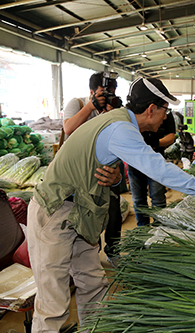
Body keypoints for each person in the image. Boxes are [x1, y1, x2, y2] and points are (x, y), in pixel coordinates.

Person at [27, 77, 195, 333]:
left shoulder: (119, 121)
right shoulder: (121, 128)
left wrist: (115, 176)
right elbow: (159, 169)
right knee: (54, 303)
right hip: (55, 213)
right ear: (151, 109)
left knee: (93, 285)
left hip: (80, 215)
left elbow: (98, 160)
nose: (164, 118)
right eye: (164, 110)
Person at [62, 71, 123, 264]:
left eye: (111, 92)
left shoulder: (111, 109)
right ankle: (89, 256)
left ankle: (113, 252)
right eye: (104, 93)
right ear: (91, 91)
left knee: (114, 213)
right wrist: (91, 106)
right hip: (80, 172)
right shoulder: (78, 104)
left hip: (105, 170)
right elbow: (68, 129)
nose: (107, 96)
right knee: (86, 214)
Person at [127, 113, 176, 226]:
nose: (163, 117)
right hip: (135, 162)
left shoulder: (166, 113)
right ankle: (142, 229)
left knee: (158, 198)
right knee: (138, 200)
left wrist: (155, 143)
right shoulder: (132, 113)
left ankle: (158, 230)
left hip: (156, 162)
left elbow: (171, 137)